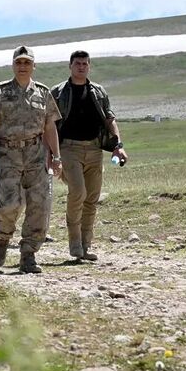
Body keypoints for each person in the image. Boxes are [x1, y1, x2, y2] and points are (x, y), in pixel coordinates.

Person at [0, 46, 61, 273]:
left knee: (39, 203)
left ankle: (28, 253)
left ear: (33, 66)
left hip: (36, 154)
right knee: (10, 202)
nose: (23, 66)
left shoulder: (43, 93)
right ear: (13, 65)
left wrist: (56, 157)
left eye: (27, 62)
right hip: (7, 154)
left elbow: (49, 126)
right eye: (19, 62)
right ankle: (4, 237)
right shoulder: (1, 92)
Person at [51, 50, 128, 262]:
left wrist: (117, 145)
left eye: (85, 63)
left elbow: (110, 119)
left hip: (94, 149)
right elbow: (48, 124)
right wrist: (51, 153)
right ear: (70, 66)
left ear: (89, 66)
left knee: (91, 198)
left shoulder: (98, 91)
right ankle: (74, 243)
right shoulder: (58, 92)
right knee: (78, 192)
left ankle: (86, 245)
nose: (81, 67)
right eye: (77, 63)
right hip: (69, 148)